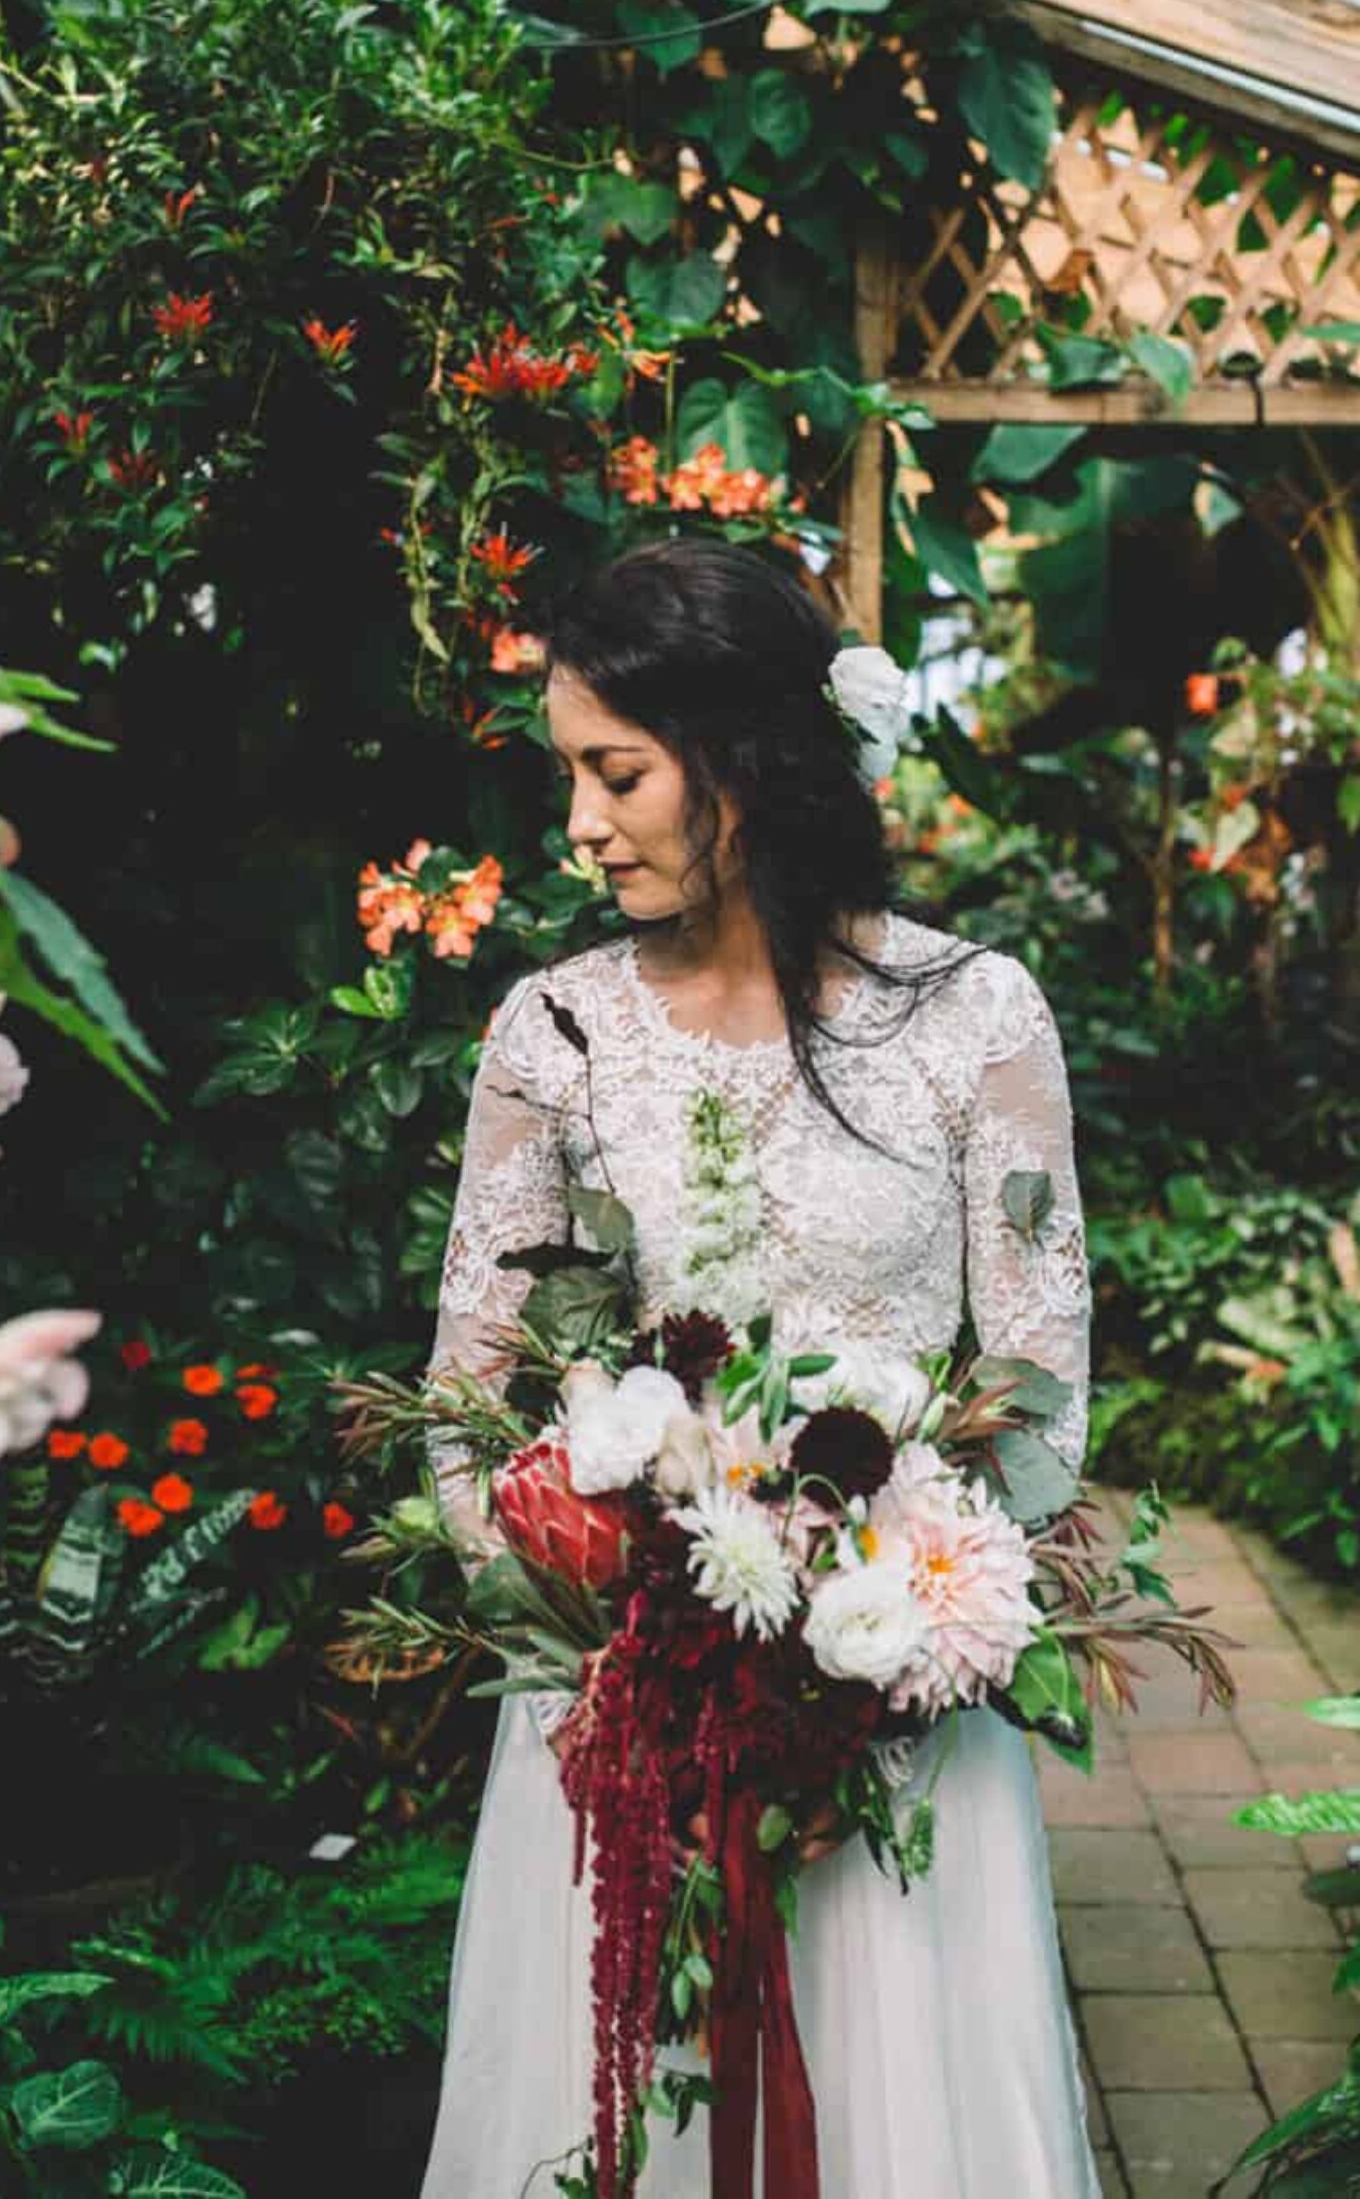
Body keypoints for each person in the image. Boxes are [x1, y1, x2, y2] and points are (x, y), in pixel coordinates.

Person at [418, 536, 1101, 2199]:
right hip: (619, 1732)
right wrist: (615, 1654)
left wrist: (864, 1664)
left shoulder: (974, 1019)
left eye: (617, 770)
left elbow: (1039, 1391)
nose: (579, 821)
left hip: (898, 1730)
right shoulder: (556, 1035)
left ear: (749, 759)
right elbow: (464, 1409)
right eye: (572, 771)